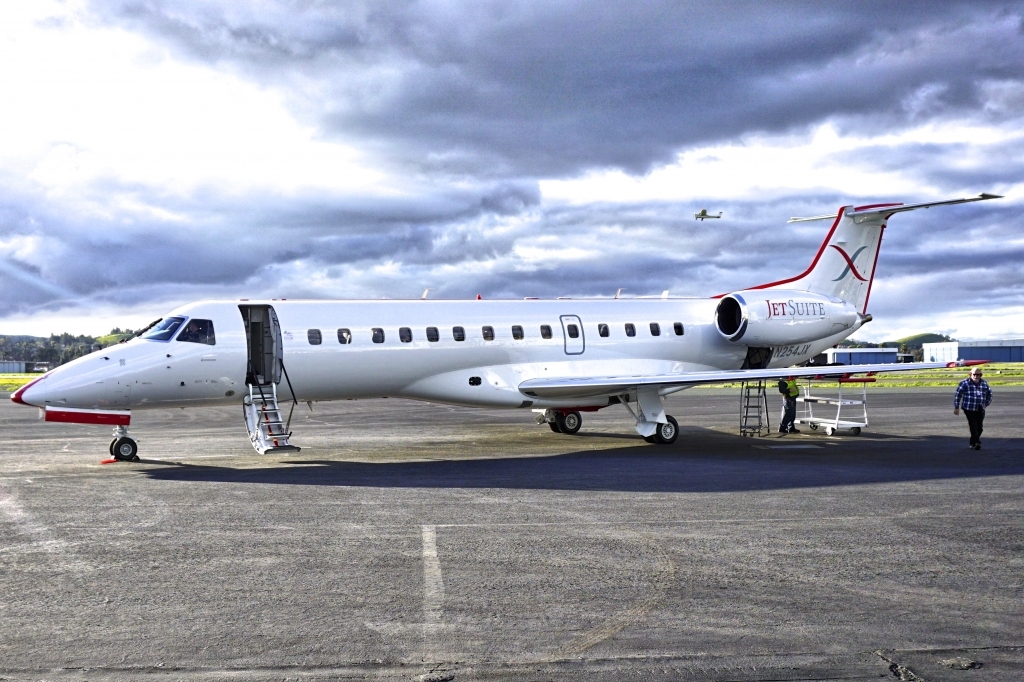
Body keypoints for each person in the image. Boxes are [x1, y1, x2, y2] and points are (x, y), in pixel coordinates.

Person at [954, 367, 992, 450]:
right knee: (973, 425)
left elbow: (989, 394)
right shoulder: (964, 383)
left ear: (980, 375)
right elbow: (958, 395)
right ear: (970, 374)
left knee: (980, 427)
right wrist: (956, 407)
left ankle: (973, 441)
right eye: (974, 374)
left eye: (978, 374)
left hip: (980, 407)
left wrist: (986, 403)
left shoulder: (984, 383)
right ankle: (976, 442)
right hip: (969, 407)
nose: (976, 376)